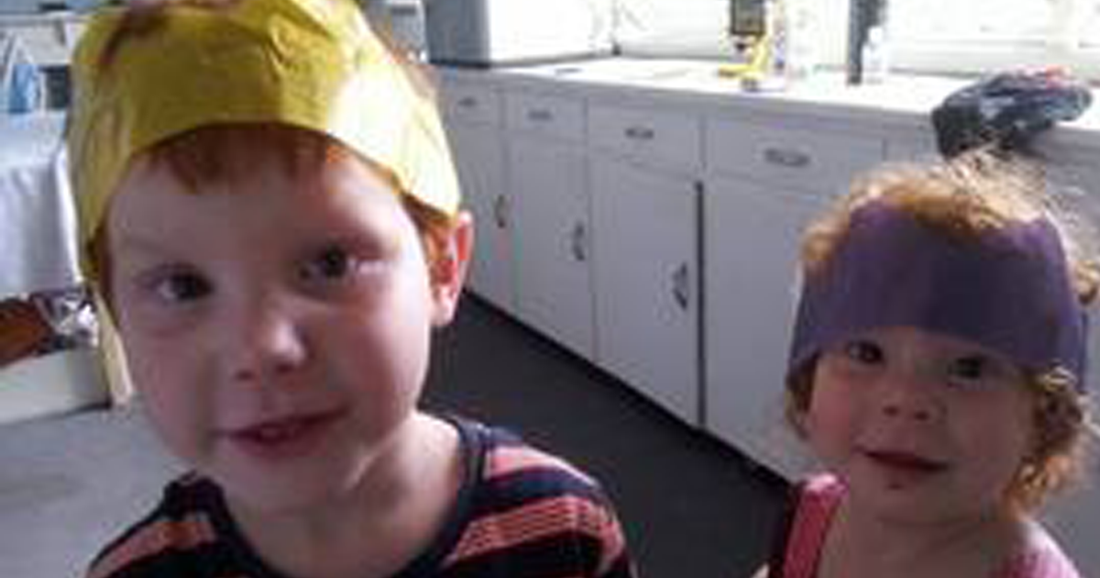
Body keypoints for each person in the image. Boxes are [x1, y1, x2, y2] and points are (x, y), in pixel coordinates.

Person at [67, 0, 636, 576]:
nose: (261, 348)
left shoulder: (562, 529)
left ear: (441, 268)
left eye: (329, 262)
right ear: (114, 311)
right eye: (183, 287)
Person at [757, 150, 1097, 578]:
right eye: (867, 353)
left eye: (969, 369)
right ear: (808, 384)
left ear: (1044, 419)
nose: (906, 400)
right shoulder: (811, 513)